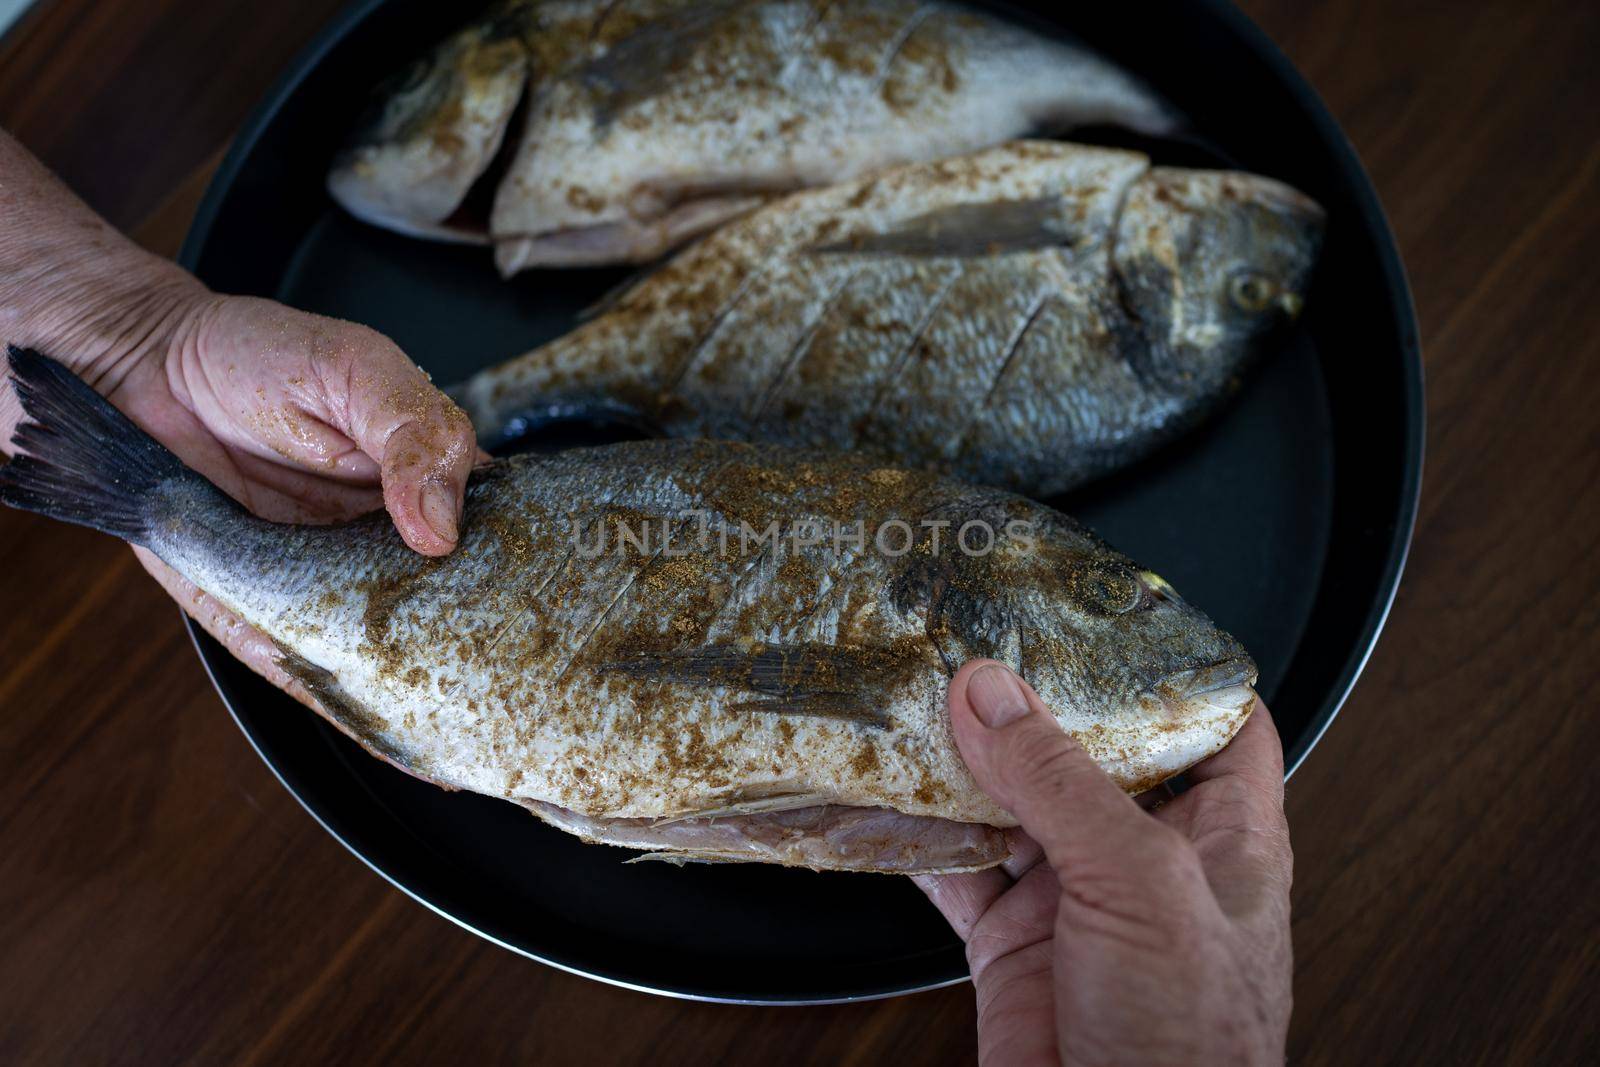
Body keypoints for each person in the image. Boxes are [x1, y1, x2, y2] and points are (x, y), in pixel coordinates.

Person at [0, 128, 1293, 1063]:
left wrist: (136, 339)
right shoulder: (978, 677)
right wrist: (131, 341)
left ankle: (141, 477)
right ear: (990, 609)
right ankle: (142, 482)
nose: (1179, 635)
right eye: (1128, 594)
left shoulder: (989, 768)